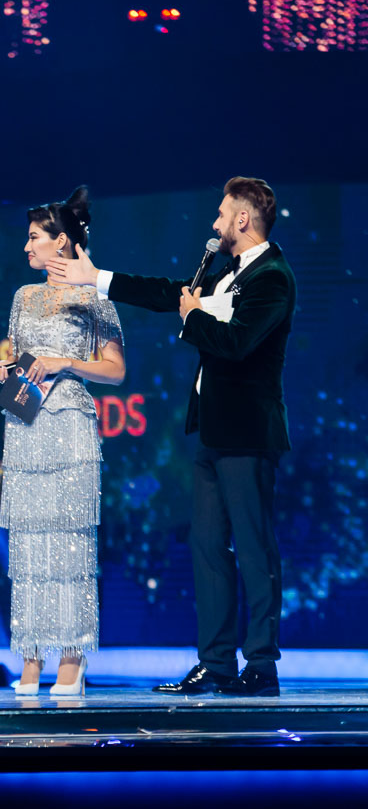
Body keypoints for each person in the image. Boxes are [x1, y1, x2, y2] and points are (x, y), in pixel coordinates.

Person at [48, 177, 295, 697]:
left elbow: (238, 343)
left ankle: (261, 665)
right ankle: (216, 663)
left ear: (243, 219)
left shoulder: (273, 277)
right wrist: (98, 278)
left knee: (253, 549)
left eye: (221, 214)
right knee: (207, 548)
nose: (215, 223)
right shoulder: (226, 274)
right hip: (213, 432)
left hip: (248, 434)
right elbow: (168, 292)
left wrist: (193, 315)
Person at [0, 185, 126, 696]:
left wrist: (65, 362)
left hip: (69, 424)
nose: (26, 246)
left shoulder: (94, 296)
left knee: (69, 541)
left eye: (34, 237)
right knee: (28, 542)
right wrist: (6, 370)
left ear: (62, 241)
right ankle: (31, 656)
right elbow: (20, 360)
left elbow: (116, 370)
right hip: (26, 424)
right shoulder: (22, 297)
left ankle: (72, 655)